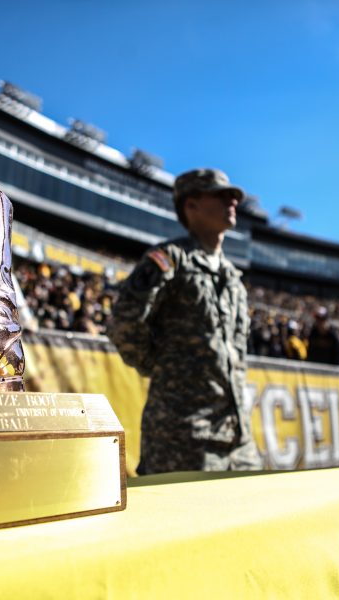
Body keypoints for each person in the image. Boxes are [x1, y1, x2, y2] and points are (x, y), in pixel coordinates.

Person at [108, 168, 262, 474]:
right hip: (182, 436)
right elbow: (124, 322)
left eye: (233, 196)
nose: (233, 201)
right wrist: (159, 366)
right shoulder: (170, 259)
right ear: (191, 206)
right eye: (221, 195)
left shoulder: (233, 277)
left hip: (237, 437)